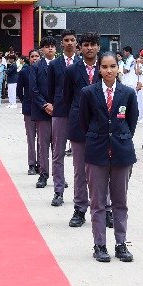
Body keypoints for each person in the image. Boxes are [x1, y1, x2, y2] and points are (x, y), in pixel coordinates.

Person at [77, 51, 137, 264]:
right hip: (97, 152)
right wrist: (98, 137)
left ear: (118, 68)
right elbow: (84, 121)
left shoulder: (128, 93)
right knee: (98, 202)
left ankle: (121, 244)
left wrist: (119, 139)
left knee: (120, 202)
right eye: (104, 67)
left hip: (122, 152)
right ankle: (100, 244)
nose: (109, 71)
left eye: (112, 66)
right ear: (99, 69)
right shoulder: (88, 92)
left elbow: (131, 122)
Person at [63, 34, 102, 228]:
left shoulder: (106, 67)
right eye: (86, 45)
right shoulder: (71, 70)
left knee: (103, 170)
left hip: (102, 127)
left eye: (93, 44)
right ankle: (79, 208)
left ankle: (105, 209)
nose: (89, 48)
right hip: (79, 126)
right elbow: (67, 98)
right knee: (80, 171)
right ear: (80, 47)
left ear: (98, 47)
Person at [45, 31, 80, 206]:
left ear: (76, 42)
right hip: (60, 112)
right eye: (66, 40)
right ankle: (58, 191)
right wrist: (52, 104)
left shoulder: (82, 63)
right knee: (57, 153)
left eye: (72, 40)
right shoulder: (54, 65)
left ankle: (81, 194)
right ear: (62, 43)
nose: (69, 43)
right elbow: (50, 89)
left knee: (81, 156)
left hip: (80, 113)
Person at [31, 38, 57, 189]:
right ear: (42, 50)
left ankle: (58, 176)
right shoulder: (35, 67)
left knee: (58, 146)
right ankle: (43, 174)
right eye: (47, 47)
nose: (50, 49)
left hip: (58, 111)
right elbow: (33, 89)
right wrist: (45, 105)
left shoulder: (61, 65)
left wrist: (56, 105)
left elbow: (64, 88)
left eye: (52, 46)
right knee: (43, 145)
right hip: (42, 111)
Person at [19, 49, 41, 175]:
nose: (35, 58)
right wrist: (25, 101)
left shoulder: (45, 70)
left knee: (41, 139)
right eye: (32, 56)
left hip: (42, 109)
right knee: (31, 138)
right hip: (29, 109)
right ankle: (31, 164)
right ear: (29, 58)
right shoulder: (24, 72)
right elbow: (19, 90)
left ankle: (41, 164)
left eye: (37, 56)